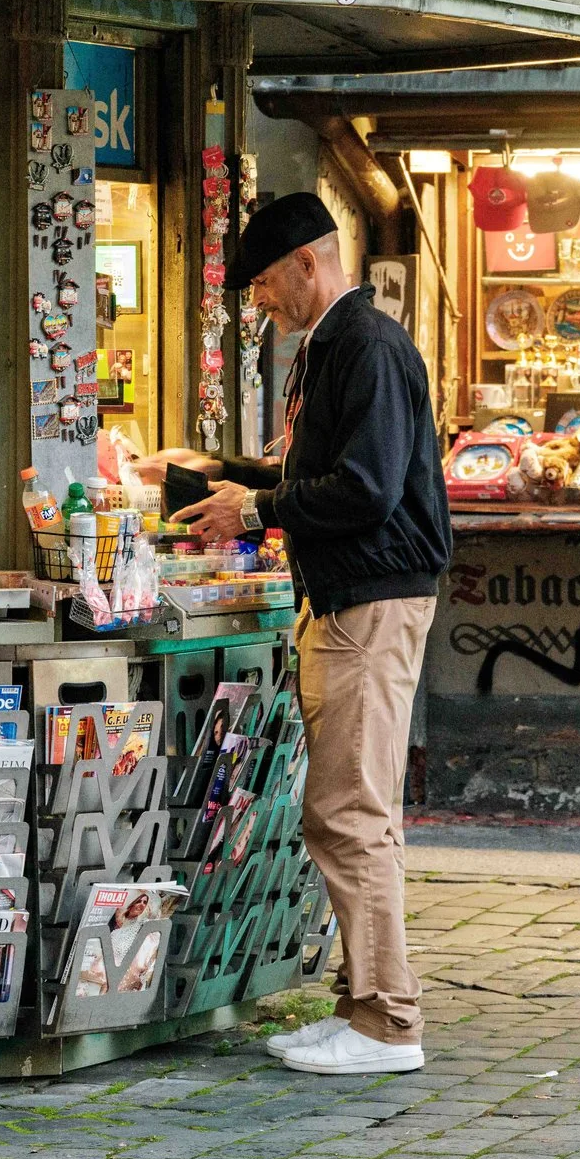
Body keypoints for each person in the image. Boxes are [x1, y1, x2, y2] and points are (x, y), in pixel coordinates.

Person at [145, 191, 449, 1076]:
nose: (262, 303)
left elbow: (365, 489)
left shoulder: (367, 347)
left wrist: (260, 506)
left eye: (269, 283)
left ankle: (388, 1022)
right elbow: (316, 474)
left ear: (308, 265)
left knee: (351, 815)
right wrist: (217, 478)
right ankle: (358, 1003)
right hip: (348, 601)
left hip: (370, 605)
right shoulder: (332, 348)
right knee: (348, 811)